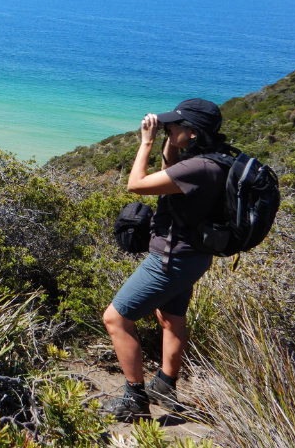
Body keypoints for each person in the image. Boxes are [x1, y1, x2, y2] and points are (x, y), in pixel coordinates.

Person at [101, 98, 228, 421]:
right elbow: (170, 172)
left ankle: (135, 399)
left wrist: (146, 142)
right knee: (172, 319)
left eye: (175, 125)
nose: (169, 128)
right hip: (193, 257)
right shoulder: (215, 160)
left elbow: (136, 185)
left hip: (170, 260)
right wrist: (169, 141)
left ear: (194, 132)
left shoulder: (199, 168)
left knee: (116, 319)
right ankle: (164, 387)